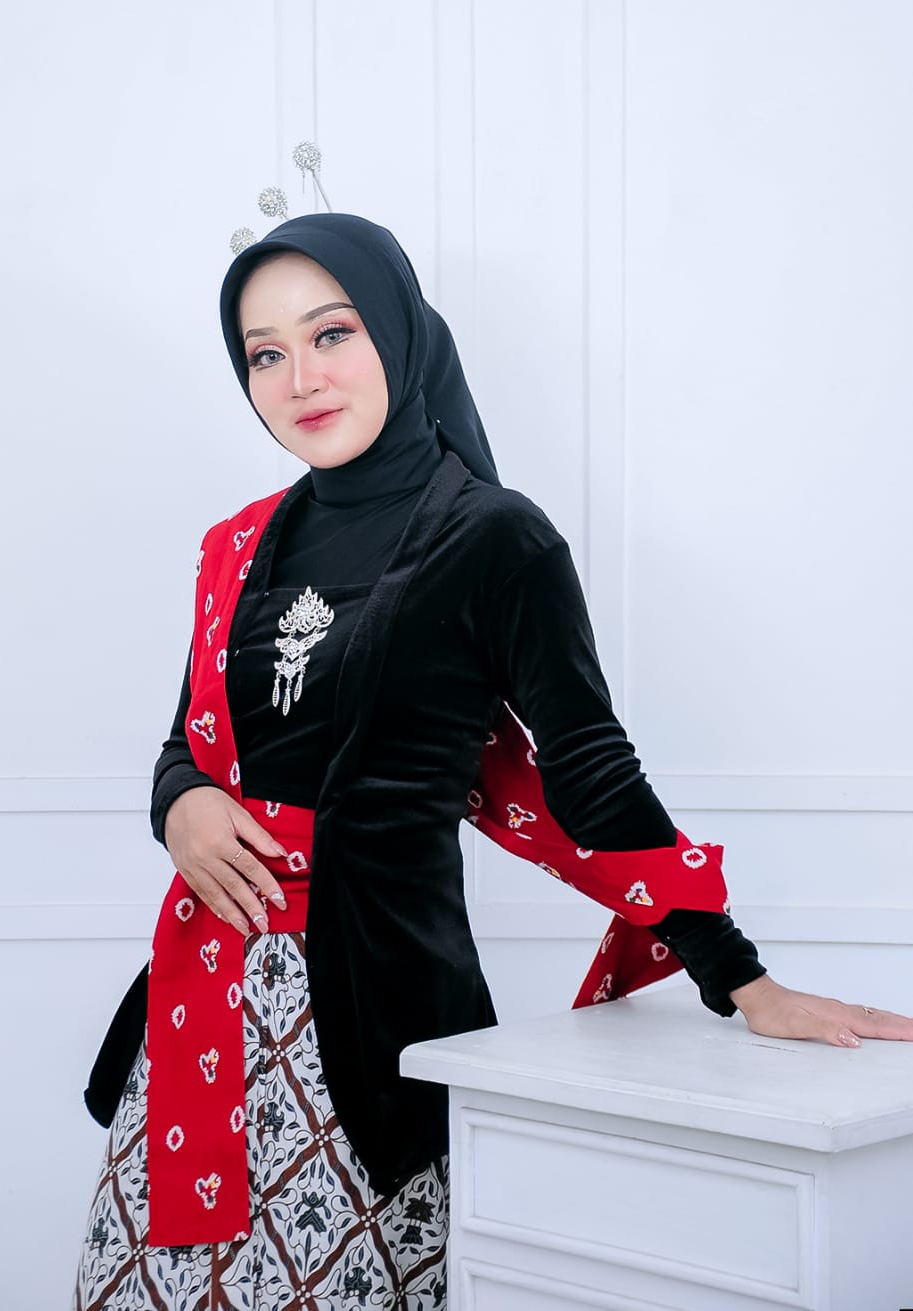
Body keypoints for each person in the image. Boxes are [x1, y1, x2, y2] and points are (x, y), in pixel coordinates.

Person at [74, 213, 913, 1311]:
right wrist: (179, 804)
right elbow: (183, 746)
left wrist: (741, 979)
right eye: (265, 354)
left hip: (368, 1030)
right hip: (200, 1014)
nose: (300, 378)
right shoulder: (237, 542)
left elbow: (590, 770)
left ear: (400, 332)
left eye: (332, 333)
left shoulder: (494, 539)